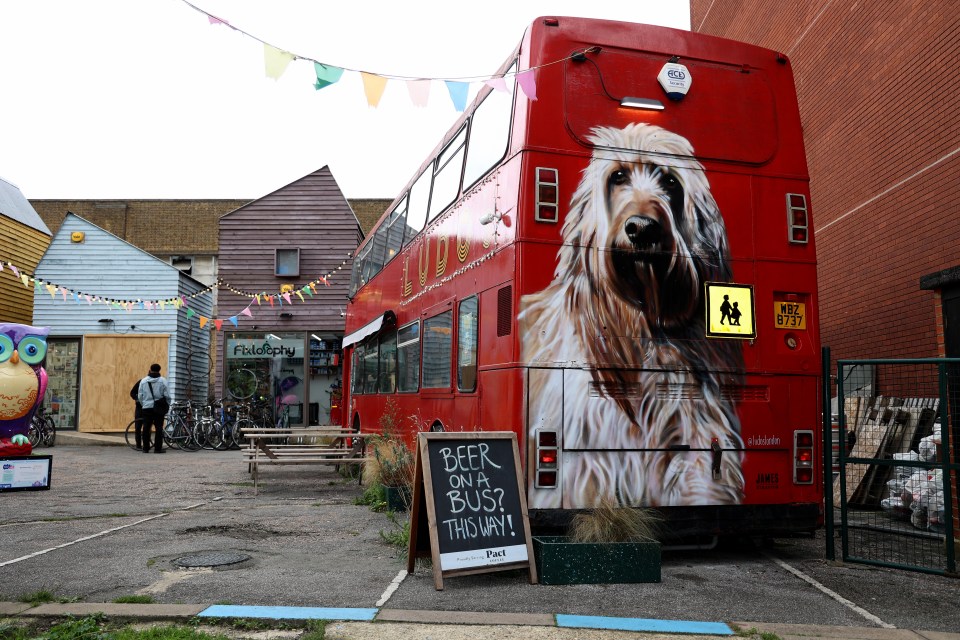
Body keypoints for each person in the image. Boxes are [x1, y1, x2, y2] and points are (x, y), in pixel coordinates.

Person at [137, 363, 171, 453]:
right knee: (159, 428)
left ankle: (145, 448)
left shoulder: (143, 381)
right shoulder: (163, 381)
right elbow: (167, 395)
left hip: (147, 407)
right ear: (159, 370)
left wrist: (143, 404)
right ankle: (157, 448)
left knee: (146, 428)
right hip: (158, 408)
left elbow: (140, 395)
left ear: (150, 369)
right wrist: (166, 405)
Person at [129, 378, 143, 450]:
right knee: (138, 427)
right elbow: (132, 393)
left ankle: (145, 444)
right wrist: (137, 398)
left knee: (147, 427)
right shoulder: (141, 382)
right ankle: (138, 445)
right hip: (140, 407)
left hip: (149, 407)